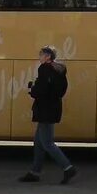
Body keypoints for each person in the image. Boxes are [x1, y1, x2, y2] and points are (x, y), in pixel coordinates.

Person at [19, 46, 77, 184]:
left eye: (41, 54)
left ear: (47, 56)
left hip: (45, 108)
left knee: (47, 143)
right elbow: (60, 89)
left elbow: (41, 89)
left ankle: (68, 168)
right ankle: (35, 172)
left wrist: (32, 90)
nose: (39, 57)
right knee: (38, 142)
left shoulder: (45, 69)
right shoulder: (59, 69)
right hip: (54, 106)